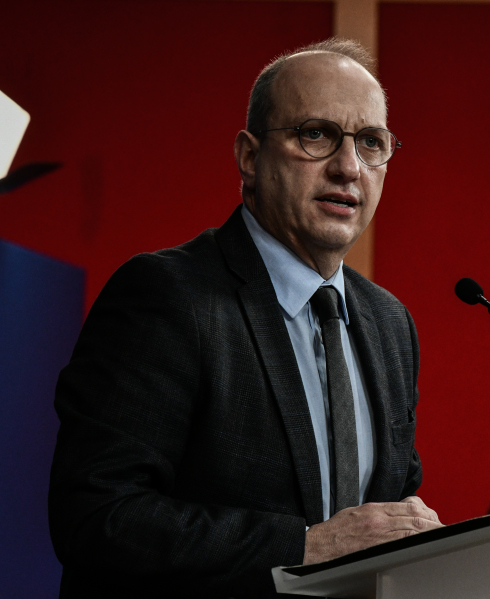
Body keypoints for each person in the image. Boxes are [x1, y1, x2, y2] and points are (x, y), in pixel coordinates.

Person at [49, 38, 442, 598]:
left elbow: (382, 518)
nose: (348, 167)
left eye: (371, 142)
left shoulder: (389, 322)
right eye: (316, 134)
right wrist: (304, 547)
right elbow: (97, 518)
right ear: (250, 158)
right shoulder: (165, 295)